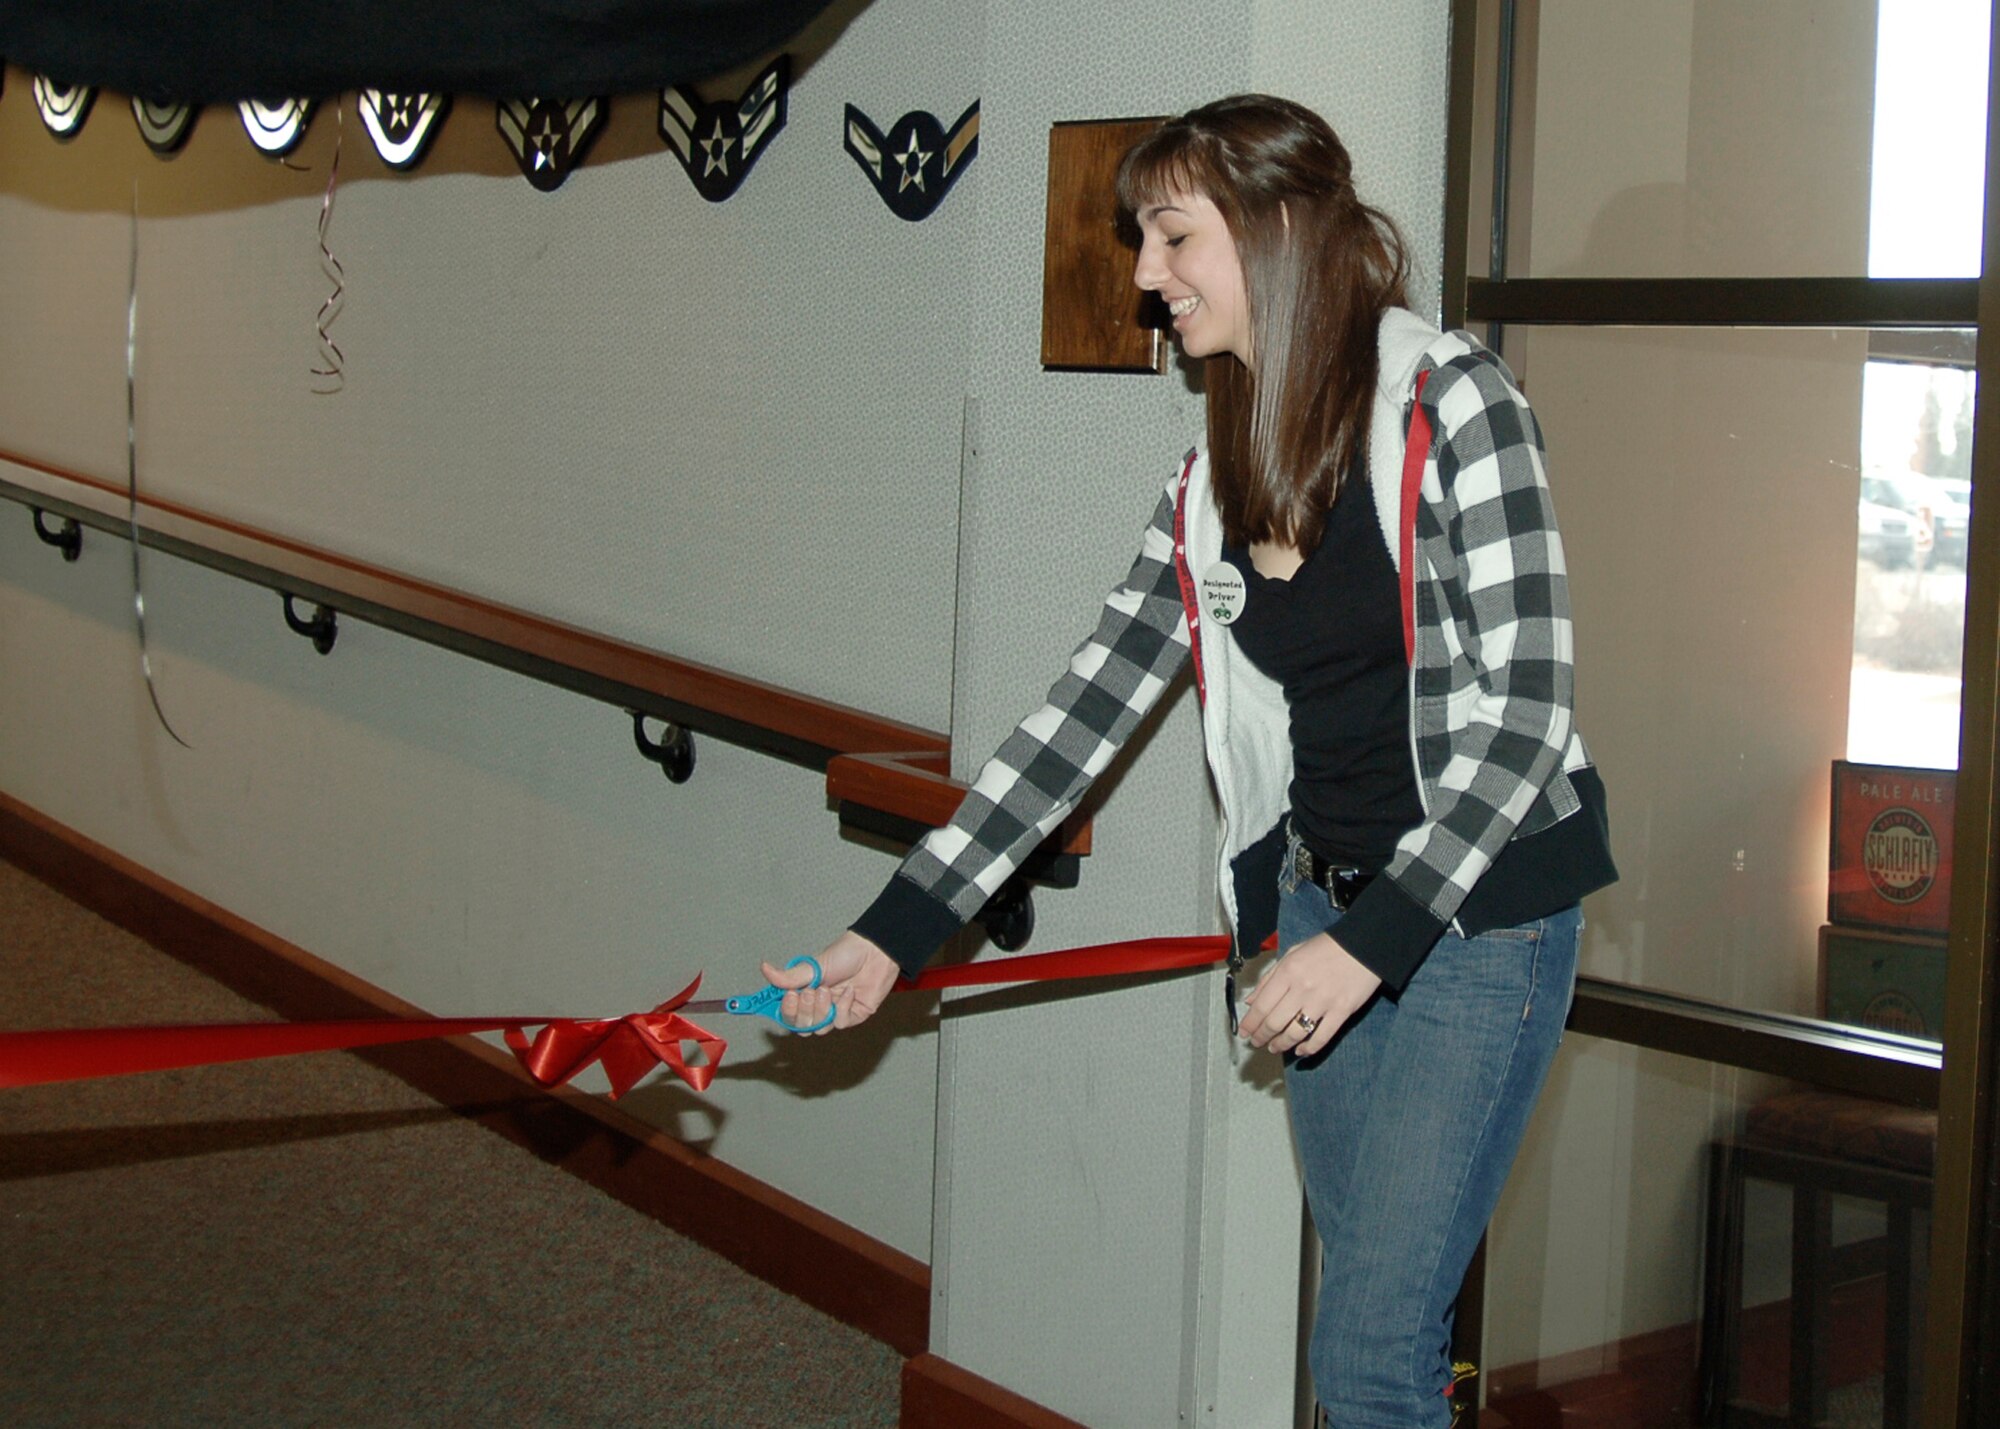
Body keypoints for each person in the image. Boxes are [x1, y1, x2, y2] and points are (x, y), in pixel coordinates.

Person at [763, 94, 1616, 1428]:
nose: (1146, 276)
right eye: (1140, 241)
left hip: (1478, 923)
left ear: (1279, 228)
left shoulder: (1453, 405)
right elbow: (1078, 719)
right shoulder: (1211, 479)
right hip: (1329, 912)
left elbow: (1525, 717)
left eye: (1172, 235)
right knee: (1372, 1321)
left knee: (1370, 1351)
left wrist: (1371, 940)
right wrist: (897, 931)